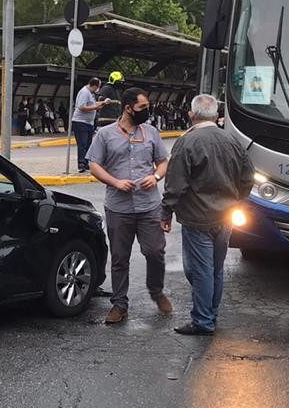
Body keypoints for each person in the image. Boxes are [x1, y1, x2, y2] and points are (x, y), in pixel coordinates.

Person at [160, 94, 256, 336]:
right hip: (225, 217)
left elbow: (176, 184)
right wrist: (237, 199)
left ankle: (203, 321)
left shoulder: (187, 142)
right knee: (215, 269)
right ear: (216, 115)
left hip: (197, 218)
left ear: (191, 115)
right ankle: (210, 313)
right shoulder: (232, 141)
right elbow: (248, 177)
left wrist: (166, 211)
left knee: (199, 270)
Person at [87, 87, 172, 325]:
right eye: (142, 108)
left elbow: (163, 162)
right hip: (118, 207)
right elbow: (94, 165)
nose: (147, 111)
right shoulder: (105, 134)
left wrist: (155, 177)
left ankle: (156, 291)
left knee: (155, 251)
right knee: (119, 258)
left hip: (149, 206)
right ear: (128, 108)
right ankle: (119, 304)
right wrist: (115, 182)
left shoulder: (151, 133)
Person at [70, 76, 106, 173]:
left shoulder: (91, 94)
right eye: (98, 87)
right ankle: (81, 163)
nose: (98, 89)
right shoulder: (84, 92)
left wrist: (102, 103)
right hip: (80, 122)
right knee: (82, 144)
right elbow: (81, 107)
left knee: (88, 144)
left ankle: (86, 163)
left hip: (88, 122)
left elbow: (91, 104)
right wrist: (95, 107)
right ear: (94, 85)